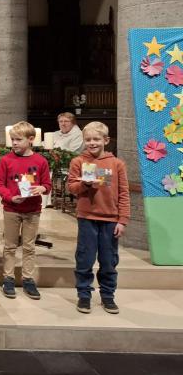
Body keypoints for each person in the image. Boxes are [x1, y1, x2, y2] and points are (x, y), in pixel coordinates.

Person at [67, 122, 129, 314]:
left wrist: (122, 220)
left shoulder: (117, 164)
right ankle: (84, 295)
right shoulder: (78, 162)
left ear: (106, 140)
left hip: (110, 219)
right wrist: (84, 184)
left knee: (109, 260)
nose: (92, 143)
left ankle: (108, 296)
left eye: (96, 139)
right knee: (85, 258)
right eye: (88, 139)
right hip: (87, 217)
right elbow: (72, 188)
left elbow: (124, 193)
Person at [0, 121, 51, 301]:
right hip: (11, 209)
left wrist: (42, 189)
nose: (14, 143)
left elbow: (47, 185)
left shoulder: (40, 161)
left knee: (29, 246)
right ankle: (8, 278)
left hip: (33, 210)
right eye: (12, 140)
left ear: (31, 139)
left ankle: (28, 279)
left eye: (18, 139)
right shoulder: (6, 160)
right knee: (10, 246)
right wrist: (10, 197)